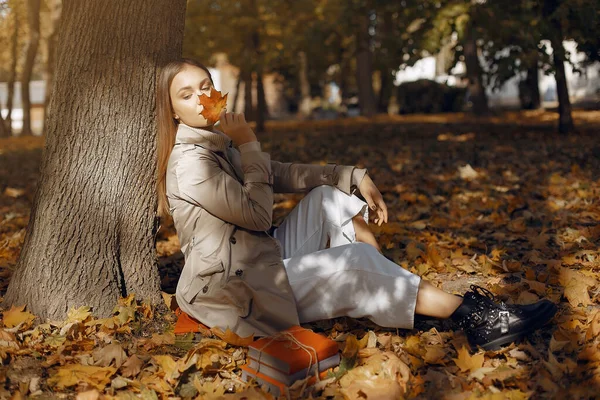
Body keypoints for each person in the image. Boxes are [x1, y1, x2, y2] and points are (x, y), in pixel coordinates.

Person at [155, 58, 557, 351]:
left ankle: (393, 293)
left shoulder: (218, 143)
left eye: (206, 85)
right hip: (233, 291)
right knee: (353, 262)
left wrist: (349, 174)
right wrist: (249, 143)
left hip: (256, 260)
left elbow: (276, 173)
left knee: (332, 199)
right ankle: (474, 317)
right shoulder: (191, 163)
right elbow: (258, 212)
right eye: (187, 95)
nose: (203, 97)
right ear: (173, 111)